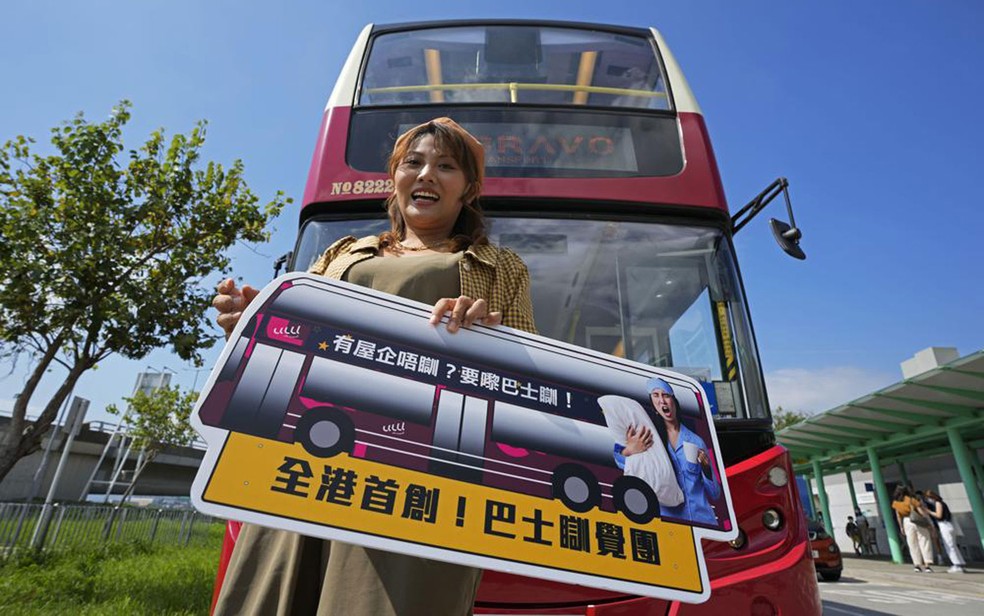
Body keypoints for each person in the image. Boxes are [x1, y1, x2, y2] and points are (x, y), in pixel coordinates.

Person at [211, 117, 537, 615]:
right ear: (395, 177)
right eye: (414, 162)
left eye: (445, 166)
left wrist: (493, 339)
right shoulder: (342, 252)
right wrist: (250, 323)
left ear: (468, 190)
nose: (427, 174)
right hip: (305, 452)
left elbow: (530, 385)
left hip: (418, 476)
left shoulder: (501, 267)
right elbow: (291, 340)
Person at [615, 377, 721, 525]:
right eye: (656, 396)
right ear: (652, 403)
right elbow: (622, 463)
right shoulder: (650, 439)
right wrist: (629, 450)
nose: (662, 401)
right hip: (669, 524)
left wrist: (706, 467)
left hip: (703, 521)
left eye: (665, 395)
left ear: (673, 401)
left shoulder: (695, 441)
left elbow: (715, 493)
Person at [891, 485, 935, 572]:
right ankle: (927, 565)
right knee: (924, 541)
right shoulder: (912, 500)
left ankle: (917, 565)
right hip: (917, 521)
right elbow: (922, 512)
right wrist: (929, 523)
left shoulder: (896, 503)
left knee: (912, 544)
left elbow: (898, 516)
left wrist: (901, 527)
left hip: (906, 522)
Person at [923, 489, 966, 573]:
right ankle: (959, 563)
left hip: (945, 525)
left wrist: (929, 512)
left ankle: (956, 565)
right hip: (949, 525)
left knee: (949, 546)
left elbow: (939, 515)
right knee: (953, 545)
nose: (928, 500)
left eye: (928, 498)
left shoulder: (938, 503)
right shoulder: (942, 503)